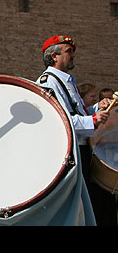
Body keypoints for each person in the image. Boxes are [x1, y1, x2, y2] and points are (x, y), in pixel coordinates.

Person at [37, 35, 111, 223]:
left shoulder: (66, 80)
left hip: (81, 149)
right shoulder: (48, 81)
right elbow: (58, 118)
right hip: (69, 151)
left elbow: (76, 111)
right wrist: (92, 120)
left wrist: (97, 109)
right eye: (68, 51)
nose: (73, 56)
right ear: (54, 56)